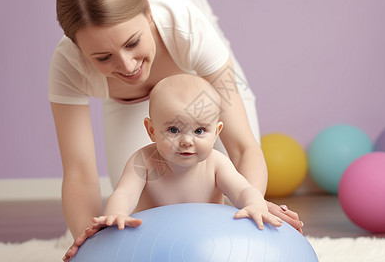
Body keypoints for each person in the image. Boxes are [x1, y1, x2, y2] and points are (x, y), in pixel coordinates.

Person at [50, 0, 302, 262]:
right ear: (79, 50)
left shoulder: (186, 27)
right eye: (103, 58)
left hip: (196, 78)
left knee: (224, 170)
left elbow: (242, 146)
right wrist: (89, 242)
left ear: (148, 12)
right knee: (139, 183)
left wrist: (252, 202)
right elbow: (79, 174)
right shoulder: (68, 66)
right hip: (125, 101)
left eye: (132, 43)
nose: (128, 65)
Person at [92, 74, 284, 233]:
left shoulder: (217, 163)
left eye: (199, 131)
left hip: (207, 235)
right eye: (174, 130)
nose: (186, 141)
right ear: (151, 130)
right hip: (155, 238)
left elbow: (243, 190)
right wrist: (116, 213)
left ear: (216, 132)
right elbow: (125, 193)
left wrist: (255, 204)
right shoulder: (144, 162)